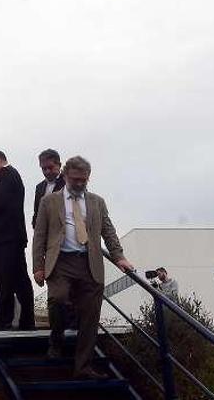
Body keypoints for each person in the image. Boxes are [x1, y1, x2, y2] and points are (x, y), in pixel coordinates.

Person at [33, 155, 135, 379]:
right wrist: (37, 267)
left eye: (84, 180)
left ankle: (83, 367)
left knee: (90, 316)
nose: (80, 183)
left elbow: (108, 231)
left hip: (89, 263)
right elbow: (40, 234)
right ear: (66, 176)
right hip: (60, 262)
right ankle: (56, 340)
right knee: (57, 299)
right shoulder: (49, 201)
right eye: (75, 179)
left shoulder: (97, 202)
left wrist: (120, 257)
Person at [0, 150, 36, 331]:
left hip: (5, 239)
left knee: (4, 280)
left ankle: (4, 320)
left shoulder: (6, 176)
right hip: (13, 237)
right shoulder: (13, 176)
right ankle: (26, 321)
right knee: (20, 280)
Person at [32, 148, 66, 228]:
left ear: (59, 165)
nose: (47, 171)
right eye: (44, 169)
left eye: (50, 167)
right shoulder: (39, 187)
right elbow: (36, 212)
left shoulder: (69, 184)